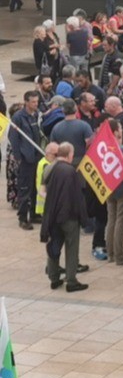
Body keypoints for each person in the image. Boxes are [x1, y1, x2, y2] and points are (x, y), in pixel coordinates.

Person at [40, 142, 89, 292]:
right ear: (69, 155)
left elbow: (42, 190)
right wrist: (83, 217)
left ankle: (54, 278)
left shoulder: (49, 168)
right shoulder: (70, 171)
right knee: (71, 247)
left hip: (52, 215)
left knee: (54, 245)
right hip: (69, 216)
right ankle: (71, 281)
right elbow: (77, 196)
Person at [10, 91, 42, 230]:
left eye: (37, 101)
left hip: (37, 157)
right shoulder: (18, 117)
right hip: (25, 159)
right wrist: (18, 157)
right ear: (26, 102)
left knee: (35, 187)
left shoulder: (36, 114)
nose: (36, 104)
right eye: (33, 102)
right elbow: (13, 138)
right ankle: (23, 218)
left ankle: (34, 214)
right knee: (25, 189)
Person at [105, 119, 123, 266]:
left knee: (111, 220)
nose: (122, 130)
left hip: (109, 188)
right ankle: (119, 254)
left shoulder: (104, 148)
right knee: (121, 221)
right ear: (115, 131)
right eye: (120, 128)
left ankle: (110, 253)